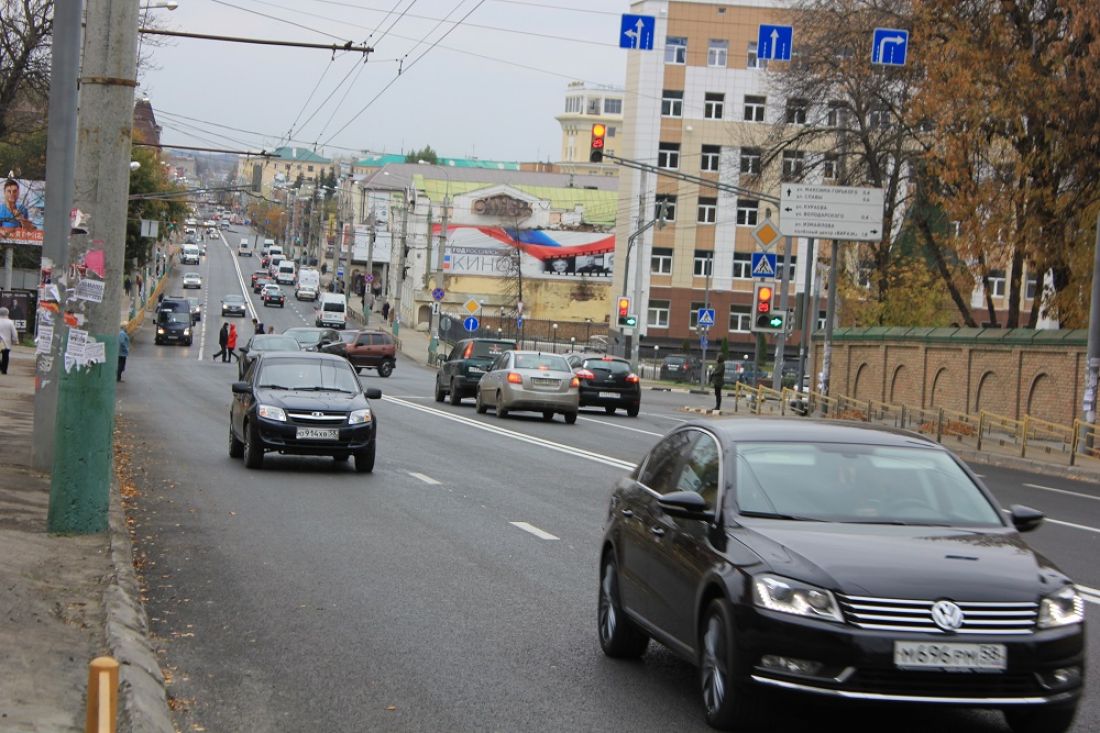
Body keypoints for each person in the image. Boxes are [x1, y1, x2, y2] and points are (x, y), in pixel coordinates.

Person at [0, 306, 19, 375]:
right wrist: (15, 340)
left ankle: (0, 366)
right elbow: (14, 333)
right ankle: (4, 370)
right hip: (6, 343)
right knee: (5, 356)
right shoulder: (10, 322)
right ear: (7, 313)